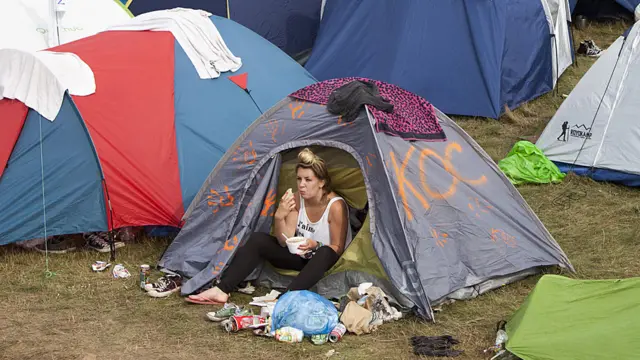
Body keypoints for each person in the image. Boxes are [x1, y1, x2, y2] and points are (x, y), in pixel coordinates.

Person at [187, 148, 351, 304]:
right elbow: (283, 241)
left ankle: (284, 299)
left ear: (321, 182)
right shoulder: (296, 199)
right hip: (301, 257)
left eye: (308, 180)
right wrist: (280, 216)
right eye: (299, 179)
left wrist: (315, 245)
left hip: (323, 259)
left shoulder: (335, 206)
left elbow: (337, 247)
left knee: (324, 252)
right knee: (258, 239)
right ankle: (222, 289)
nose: (302, 184)